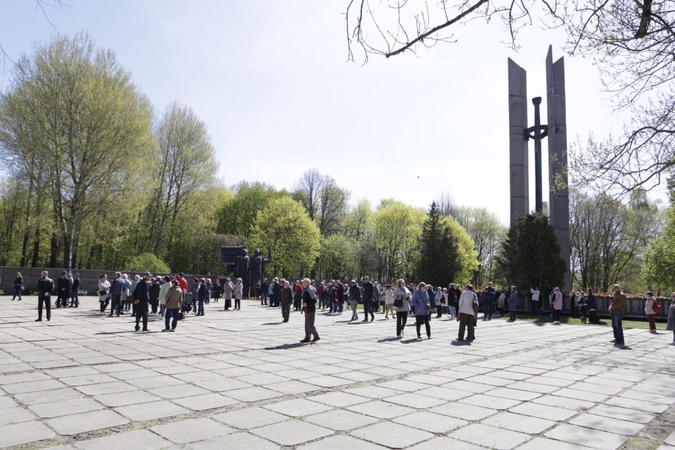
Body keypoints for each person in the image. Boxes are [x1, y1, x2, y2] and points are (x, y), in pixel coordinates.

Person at [300, 278, 320, 343]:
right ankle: (307, 337)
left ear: (307, 283)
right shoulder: (306, 289)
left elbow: (314, 300)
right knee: (307, 324)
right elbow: (306, 300)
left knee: (310, 324)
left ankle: (316, 336)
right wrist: (303, 308)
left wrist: (307, 305)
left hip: (310, 309)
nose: (302, 284)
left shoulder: (309, 289)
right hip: (307, 309)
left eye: (303, 282)